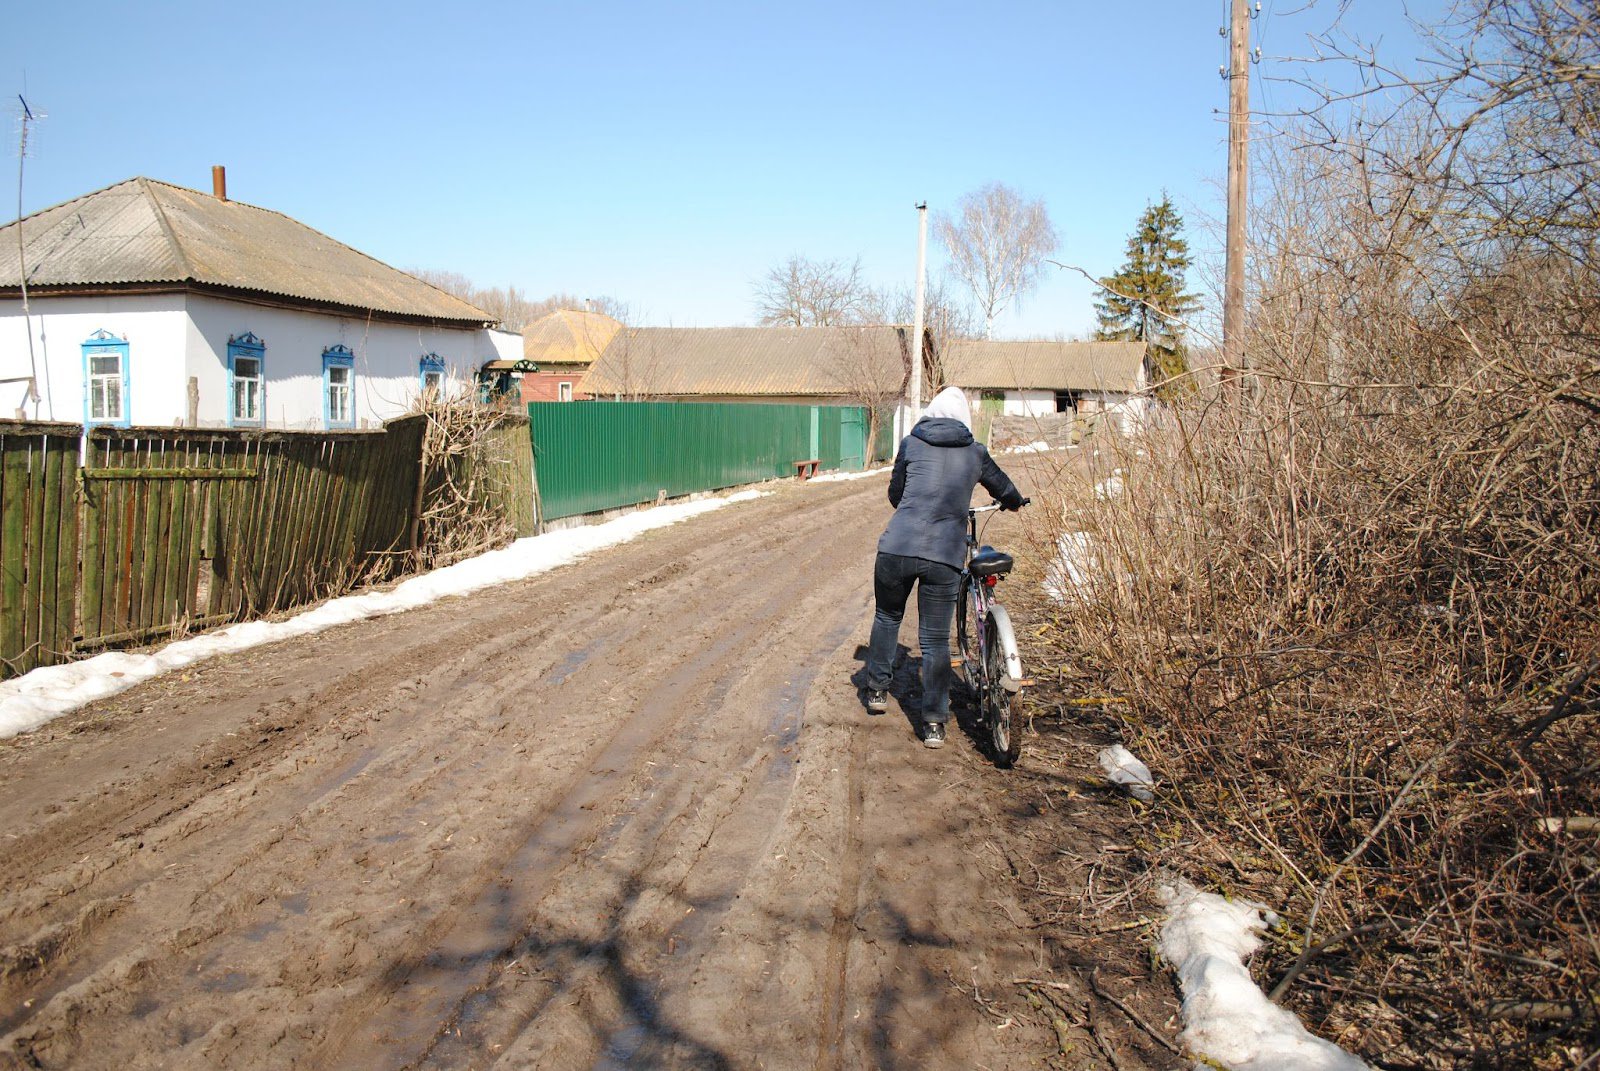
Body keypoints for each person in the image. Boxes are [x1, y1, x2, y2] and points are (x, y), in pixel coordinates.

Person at [864, 386, 1025, 748]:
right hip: (944, 556)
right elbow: (1006, 490)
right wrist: (1014, 502)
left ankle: (876, 691)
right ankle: (934, 723)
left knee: (887, 617)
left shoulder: (911, 443)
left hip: (896, 550)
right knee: (935, 639)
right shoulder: (976, 453)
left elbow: (896, 495)